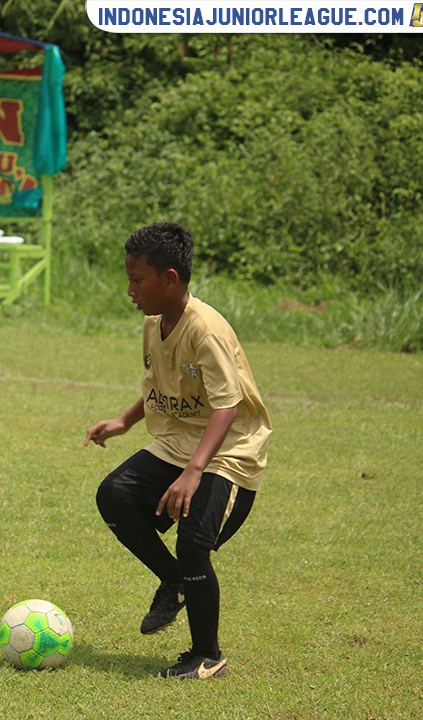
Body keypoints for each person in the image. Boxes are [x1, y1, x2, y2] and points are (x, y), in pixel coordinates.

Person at [86, 222, 272, 680]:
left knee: (193, 542)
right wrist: (125, 421)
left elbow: (227, 405)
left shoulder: (204, 330)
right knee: (114, 496)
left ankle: (207, 655)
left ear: (169, 279)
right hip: (176, 444)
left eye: (137, 279)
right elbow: (162, 385)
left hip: (229, 453)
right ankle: (174, 581)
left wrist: (193, 472)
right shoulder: (154, 323)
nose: (129, 289)